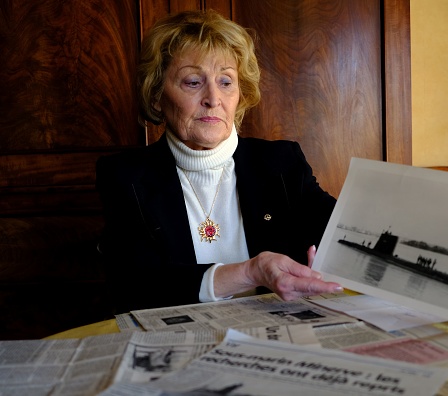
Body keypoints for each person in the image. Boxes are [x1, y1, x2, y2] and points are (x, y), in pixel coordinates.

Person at [96, 9, 342, 314]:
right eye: (193, 82)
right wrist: (250, 272)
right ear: (158, 94)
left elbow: (340, 231)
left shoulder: (282, 163)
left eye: (226, 82)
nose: (213, 97)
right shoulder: (125, 176)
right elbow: (135, 285)